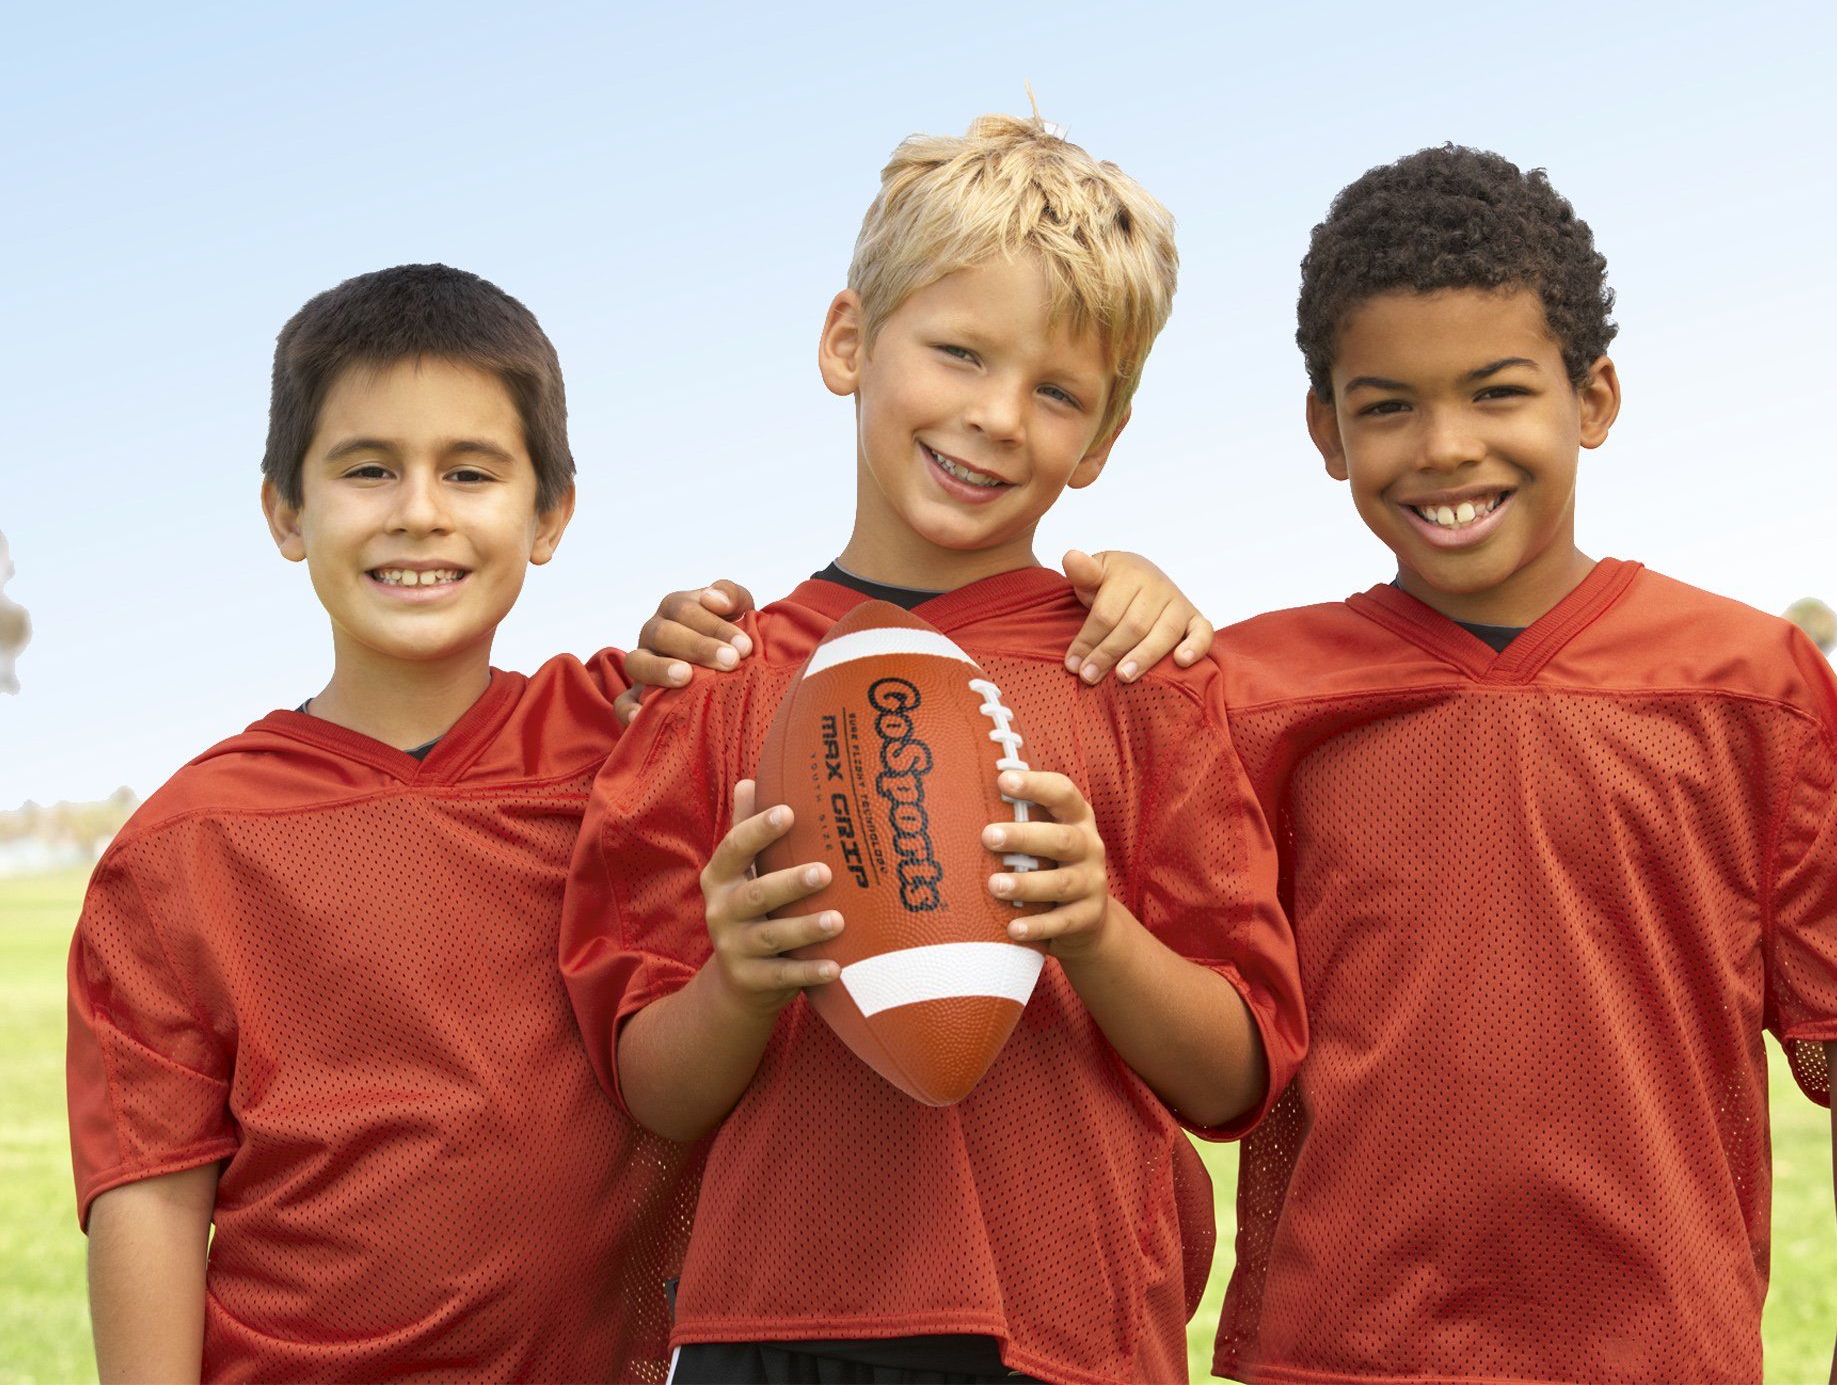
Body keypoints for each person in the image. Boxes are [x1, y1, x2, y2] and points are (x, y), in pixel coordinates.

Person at [64, 260, 1213, 1385]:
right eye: (368, 469)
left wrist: (1133, 591)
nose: (419, 513)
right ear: (283, 510)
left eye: (470, 473)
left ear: (551, 512)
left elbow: (846, 700)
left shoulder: (641, 722)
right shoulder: (182, 846)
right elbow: (153, 1192)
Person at [561, 113, 1307, 1385]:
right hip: (767, 1331)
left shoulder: (1134, 672)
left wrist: (1096, 928)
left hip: (1067, 1330)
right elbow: (651, 1088)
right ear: (849, 341)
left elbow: (1237, 1074)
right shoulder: (718, 677)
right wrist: (739, 977)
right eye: (958, 351)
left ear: (1104, 436)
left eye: (1056, 389)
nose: (996, 416)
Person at [1211, 145, 1837, 1385]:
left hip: (1658, 1351)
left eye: (1496, 391)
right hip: (1338, 1354)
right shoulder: (1242, 690)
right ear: (1324, 430)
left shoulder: (1745, 678)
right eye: (1385, 403)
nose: (1443, 446)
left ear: (1590, 398)